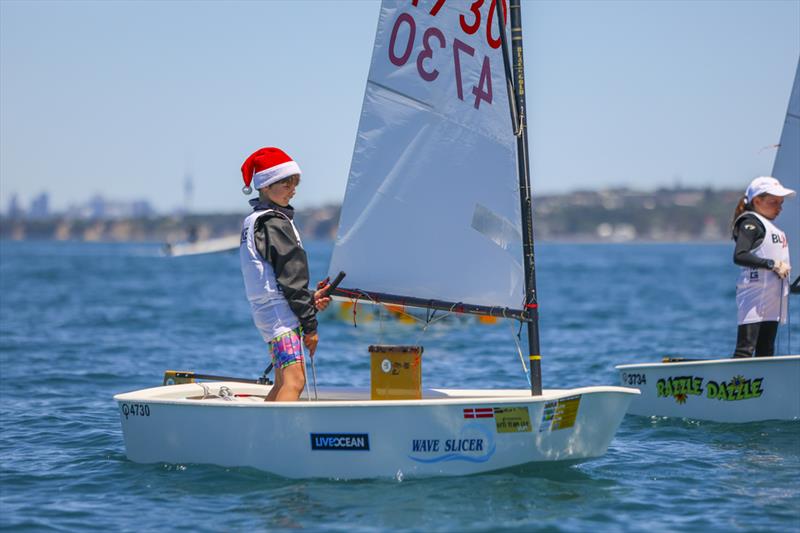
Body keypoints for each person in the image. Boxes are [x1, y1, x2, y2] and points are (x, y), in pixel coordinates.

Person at [239, 147, 331, 400]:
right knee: (295, 380)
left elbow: (277, 279)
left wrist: (309, 297)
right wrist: (310, 325)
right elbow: (291, 277)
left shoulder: (256, 219)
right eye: (286, 183)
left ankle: (263, 435)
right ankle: (277, 438)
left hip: (269, 312)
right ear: (266, 186)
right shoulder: (274, 222)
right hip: (280, 316)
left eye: (295, 183)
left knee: (282, 380)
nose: (293, 189)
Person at [731, 176, 795, 358]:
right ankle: (736, 384)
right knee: (745, 350)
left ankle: (765, 385)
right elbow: (739, 255)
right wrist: (772, 264)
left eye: (781, 203)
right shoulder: (750, 223)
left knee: (766, 351)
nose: (779, 207)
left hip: (772, 299)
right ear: (757, 201)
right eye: (774, 202)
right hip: (754, 297)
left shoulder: (771, 227)